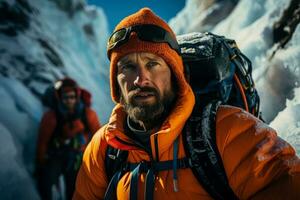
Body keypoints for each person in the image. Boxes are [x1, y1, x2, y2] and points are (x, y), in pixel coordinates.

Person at [73, 8, 300, 200]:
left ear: (175, 75)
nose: (140, 79)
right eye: (127, 67)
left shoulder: (228, 129)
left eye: (152, 64)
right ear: (116, 81)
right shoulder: (104, 148)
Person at [36, 77, 101, 200]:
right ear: (60, 98)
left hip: (79, 157)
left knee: (74, 191)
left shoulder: (88, 114)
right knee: (47, 183)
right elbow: (42, 143)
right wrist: (40, 163)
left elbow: (99, 138)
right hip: (57, 155)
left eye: (72, 97)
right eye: (66, 97)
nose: (69, 100)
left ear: (77, 97)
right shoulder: (51, 117)